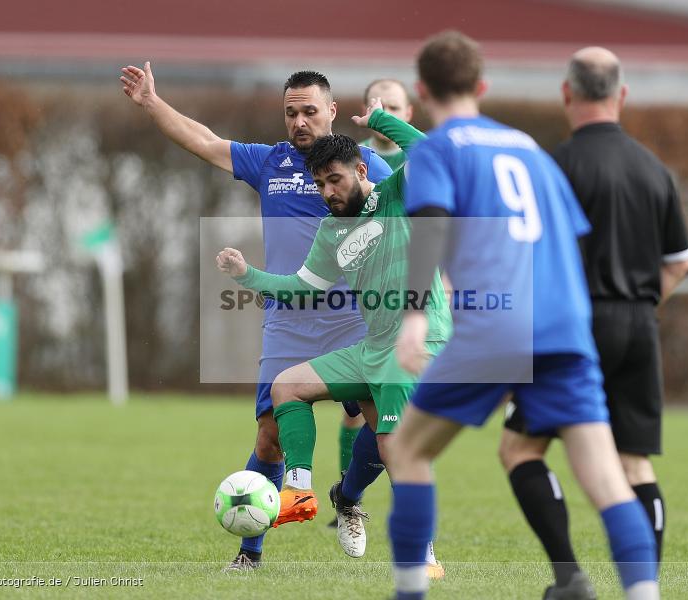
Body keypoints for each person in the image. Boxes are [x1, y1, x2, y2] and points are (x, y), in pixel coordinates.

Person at [387, 31, 660, 600]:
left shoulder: (438, 148)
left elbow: (432, 225)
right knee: (608, 480)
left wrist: (415, 316)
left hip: (497, 323)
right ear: (482, 86)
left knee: (410, 451)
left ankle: (409, 592)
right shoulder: (533, 150)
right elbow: (569, 240)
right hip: (566, 327)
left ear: (422, 89)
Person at [120, 64, 391, 572]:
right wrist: (153, 103)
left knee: (385, 430)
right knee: (269, 435)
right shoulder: (271, 163)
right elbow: (204, 141)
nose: (300, 121)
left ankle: (348, 497)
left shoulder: (366, 165)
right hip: (289, 321)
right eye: (291, 112)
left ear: (331, 111)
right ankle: (249, 554)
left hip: (355, 320)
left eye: (310, 110)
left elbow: (417, 209)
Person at [216, 102, 446, 578]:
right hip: (372, 349)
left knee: (396, 450)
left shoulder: (396, 194)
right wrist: (247, 275)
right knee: (287, 387)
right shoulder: (332, 229)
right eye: (319, 184)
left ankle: (421, 555)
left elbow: (430, 152)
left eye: (335, 180)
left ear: (362, 169)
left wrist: (380, 121)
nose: (327, 192)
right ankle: (299, 488)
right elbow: (302, 287)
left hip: (414, 345)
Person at [499, 47, 688, 585]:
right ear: (621, 95)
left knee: (520, 448)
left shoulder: (554, 168)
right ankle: (644, 587)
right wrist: (637, 306)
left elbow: (523, 263)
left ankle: (569, 578)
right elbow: (679, 262)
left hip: (574, 331)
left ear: (567, 93)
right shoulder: (654, 169)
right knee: (633, 466)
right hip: (639, 325)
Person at [329, 78, 416, 533]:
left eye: (394, 107)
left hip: (417, 306)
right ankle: (416, 545)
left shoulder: (404, 167)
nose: (384, 112)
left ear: (409, 111)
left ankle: (347, 497)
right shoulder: (352, 163)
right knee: (383, 422)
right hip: (366, 310)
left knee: (390, 422)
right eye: (376, 106)